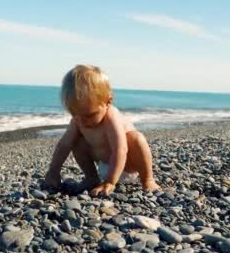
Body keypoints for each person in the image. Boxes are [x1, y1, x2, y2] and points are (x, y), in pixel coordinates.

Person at [44, 65, 161, 196]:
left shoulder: (111, 116)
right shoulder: (79, 120)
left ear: (108, 102)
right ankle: (91, 178)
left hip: (128, 166)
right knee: (75, 141)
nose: (82, 121)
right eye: (75, 115)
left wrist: (110, 182)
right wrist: (53, 172)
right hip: (105, 165)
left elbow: (120, 149)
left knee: (136, 138)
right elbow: (64, 145)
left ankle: (147, 179)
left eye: (89, 115)